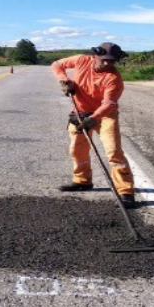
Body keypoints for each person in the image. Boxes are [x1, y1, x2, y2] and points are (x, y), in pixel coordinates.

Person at [51, 42, 135, 208]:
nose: (107, 64)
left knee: (113, 151)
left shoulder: (114, 78)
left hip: (105, 115)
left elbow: (109, 104)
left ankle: (126, 192)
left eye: (111, 61)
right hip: (80, 112)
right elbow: (57, 64)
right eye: (104, 60)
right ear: (95, 55)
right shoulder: (82, 60)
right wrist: (64, 80)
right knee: (77, 149)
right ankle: (82, 181)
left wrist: (93, 118)